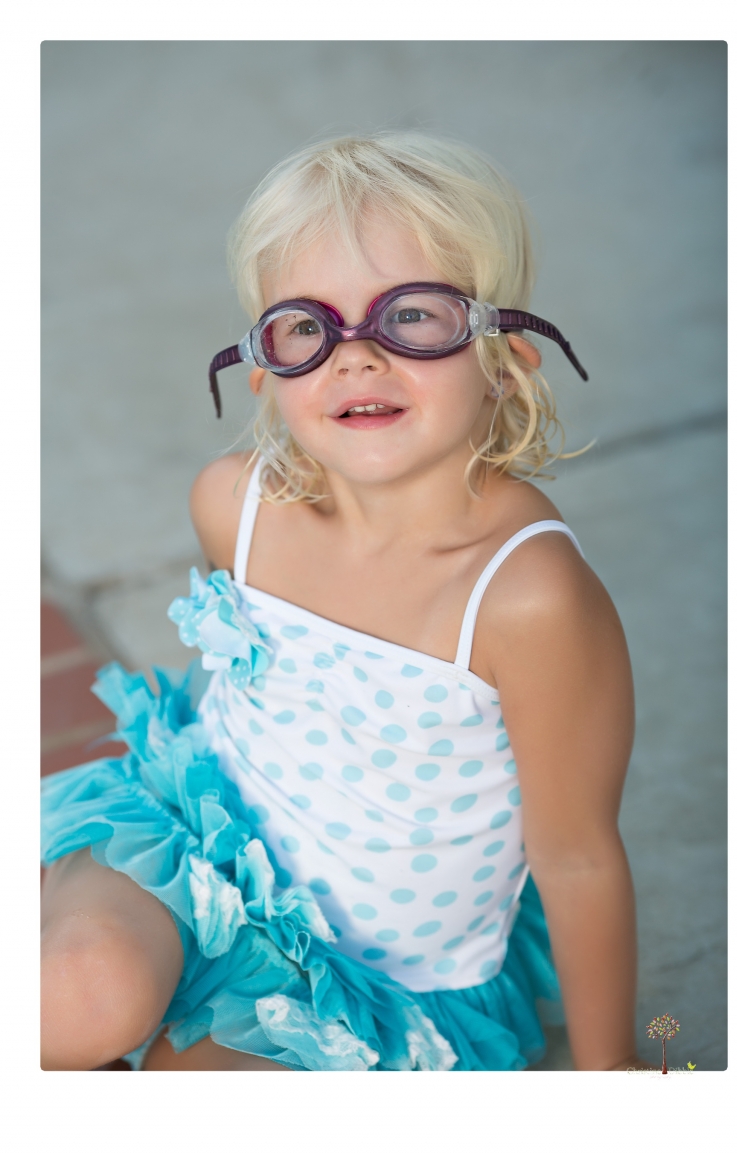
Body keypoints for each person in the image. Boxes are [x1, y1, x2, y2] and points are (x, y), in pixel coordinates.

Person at [41, 133, 648, 1072]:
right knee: (82, 993)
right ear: (263, 370)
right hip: (192, 856)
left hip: (380, 979)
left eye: (412, 319)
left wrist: (608, 1083)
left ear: (506, 355)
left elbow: (577, 857)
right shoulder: (233, 504)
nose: (356, 359)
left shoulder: (526, 597)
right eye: (307, 329)